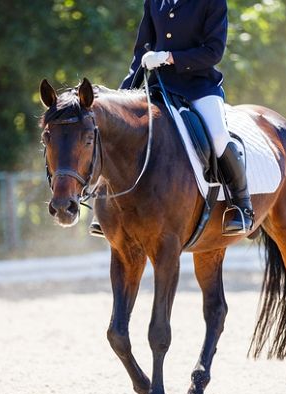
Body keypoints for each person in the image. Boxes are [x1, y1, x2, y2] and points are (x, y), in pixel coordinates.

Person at [90, 0, 253, 237]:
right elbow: (140, 53)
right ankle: (105, 205)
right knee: (120, 133)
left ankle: (241, 205)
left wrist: (169, 57)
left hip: (198, 86)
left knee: (218, 136)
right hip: (158, 87)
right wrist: (122, 95)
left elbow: (213, 52)